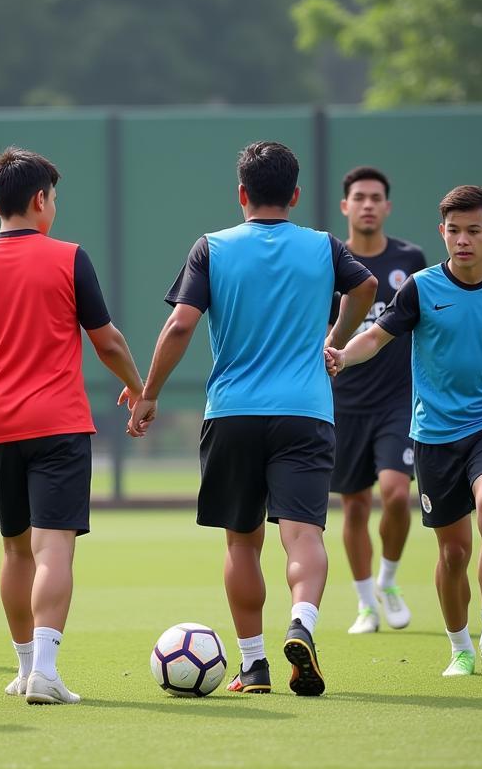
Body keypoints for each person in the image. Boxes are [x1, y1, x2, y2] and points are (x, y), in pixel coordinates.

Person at [129, 141, 377, 697]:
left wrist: (149, 393)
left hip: (234, 414)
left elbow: (180, 327)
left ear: (241, 193)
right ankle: (303, 624)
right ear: (294, 194)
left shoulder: (212, 247)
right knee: (303, 534)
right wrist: (334, 340)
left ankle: (255, 664)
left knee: (242, 543)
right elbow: (367, 287)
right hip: (306, 412)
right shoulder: (323, 247)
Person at [325, 185, 482, 677]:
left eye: (474, 231)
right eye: (454, 231)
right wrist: (342, 355)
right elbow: (376, 335)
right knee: (453, 551)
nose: (463, 240)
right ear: (442, 232)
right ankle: (460, 646)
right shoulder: (420, 287)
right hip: (435, 433)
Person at [0, 147, 143, 705]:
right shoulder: (69, 257)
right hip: (58, 424)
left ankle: (24, 668)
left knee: (14, 550)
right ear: (39, 200)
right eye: (54, 197)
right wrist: (139, 388)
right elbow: (107, 341)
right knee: (55, 549)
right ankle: (46, 673)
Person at [330, 166, 426, 634]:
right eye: (359, 197)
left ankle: (388, 580)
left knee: (395, 493)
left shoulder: (411, 258)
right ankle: (366, 603)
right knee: (353, 506)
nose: (367, 205)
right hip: (342, 401)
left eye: (376, 198)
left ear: (387, 207)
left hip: (398, 399)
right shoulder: (330, 259)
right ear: (345, 206)